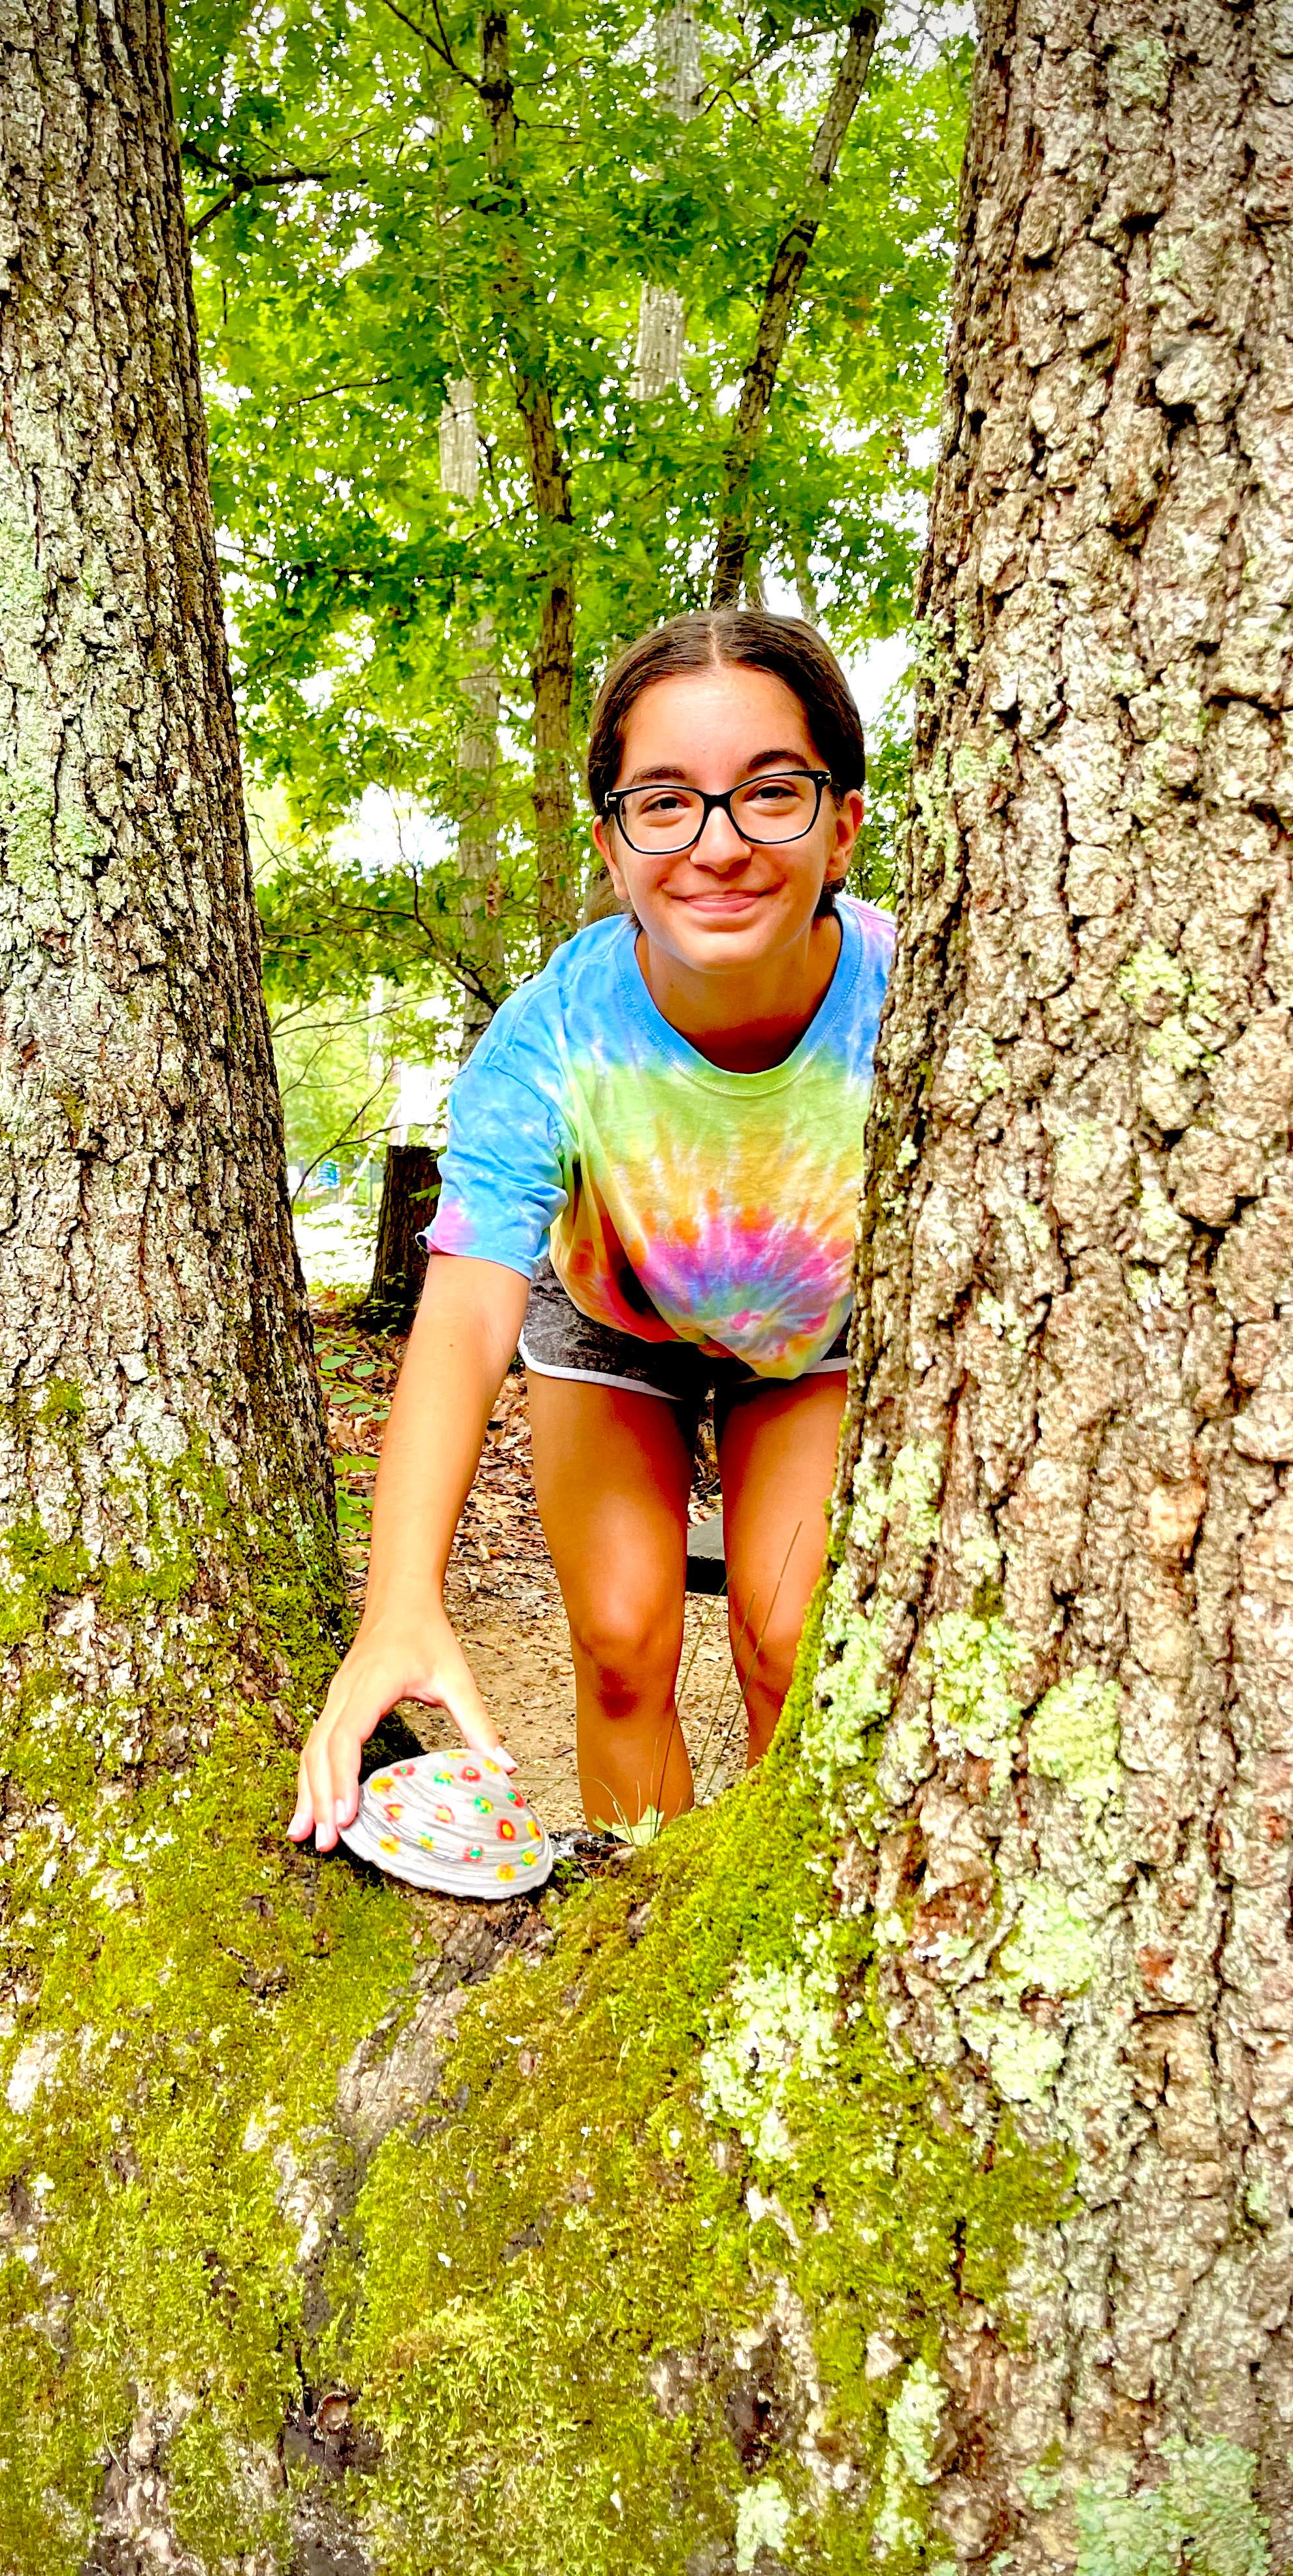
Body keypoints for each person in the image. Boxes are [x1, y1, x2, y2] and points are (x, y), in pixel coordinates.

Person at [289, 608, 894, 1850]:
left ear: (842, 824)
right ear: (614, 844)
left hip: (814, 1323)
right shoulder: (552, 1034)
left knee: (790, 1637)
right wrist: (401, 1599)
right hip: (616, 1317)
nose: (716, 844)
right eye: (663, 803)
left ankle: (781, 1923)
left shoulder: (916, 990)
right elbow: (462, 1315)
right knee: (624, 1637)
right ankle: (646, 1916)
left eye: (770, 792)